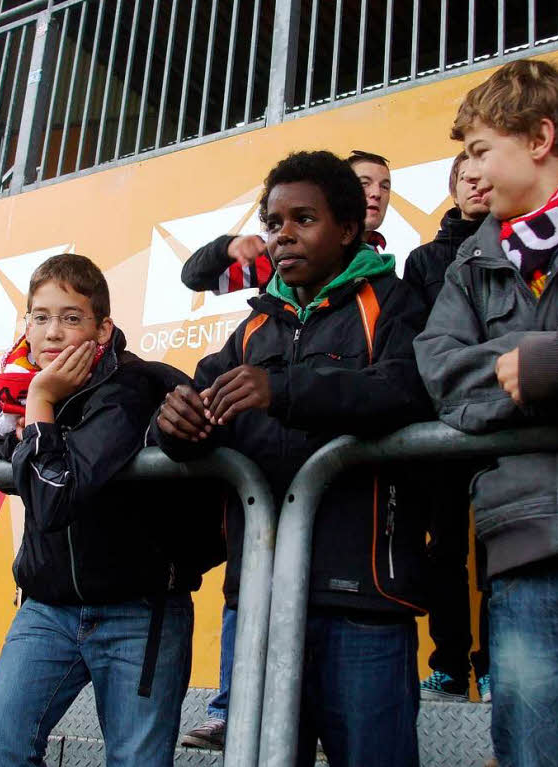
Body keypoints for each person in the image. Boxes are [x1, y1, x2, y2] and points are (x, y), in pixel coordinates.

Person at [156, 150, 431, 766]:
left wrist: (285, 390)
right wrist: (173, 424)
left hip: (364, 603)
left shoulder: (394, 302)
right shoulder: (251, 330)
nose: (284, 235)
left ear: (349, 228)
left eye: (303, 219)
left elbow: (408, 391)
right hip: (259, 600)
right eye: (274, 222)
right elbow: (195, 418)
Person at [415, 59, 558, 766]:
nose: (472, 170)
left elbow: (491, 373)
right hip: (521, 572)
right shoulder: (466, 267)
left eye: (482, 148)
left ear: (541, 137)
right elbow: (446, 378)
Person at [0, 253, 223, 767]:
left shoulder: (129, 387)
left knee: (137, 762)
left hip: (138, 610)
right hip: (46, 606)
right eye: (40, 317)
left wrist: (41, 405)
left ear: (102, 328)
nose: (52, 333)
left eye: (70, 317)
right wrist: (31, 411)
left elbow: (53, 497)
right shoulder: (17, 389)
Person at [403, 151, 493, 703]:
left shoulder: (520, 243)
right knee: (444, 551)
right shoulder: (423, 262)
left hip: (512, 418)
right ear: (453, 187)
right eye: (465, 176)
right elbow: (424, 345)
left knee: (504, 545)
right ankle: (451, 665)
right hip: (445, 428)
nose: (477, 184)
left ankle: (495, 667)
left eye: (483, 174)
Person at [179, 150, 392, 299]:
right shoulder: (277, 253)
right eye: (363, 183)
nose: (376, 194)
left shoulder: (386, 273)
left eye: (385, 187)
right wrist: (227, 248)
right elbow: (195, 277)